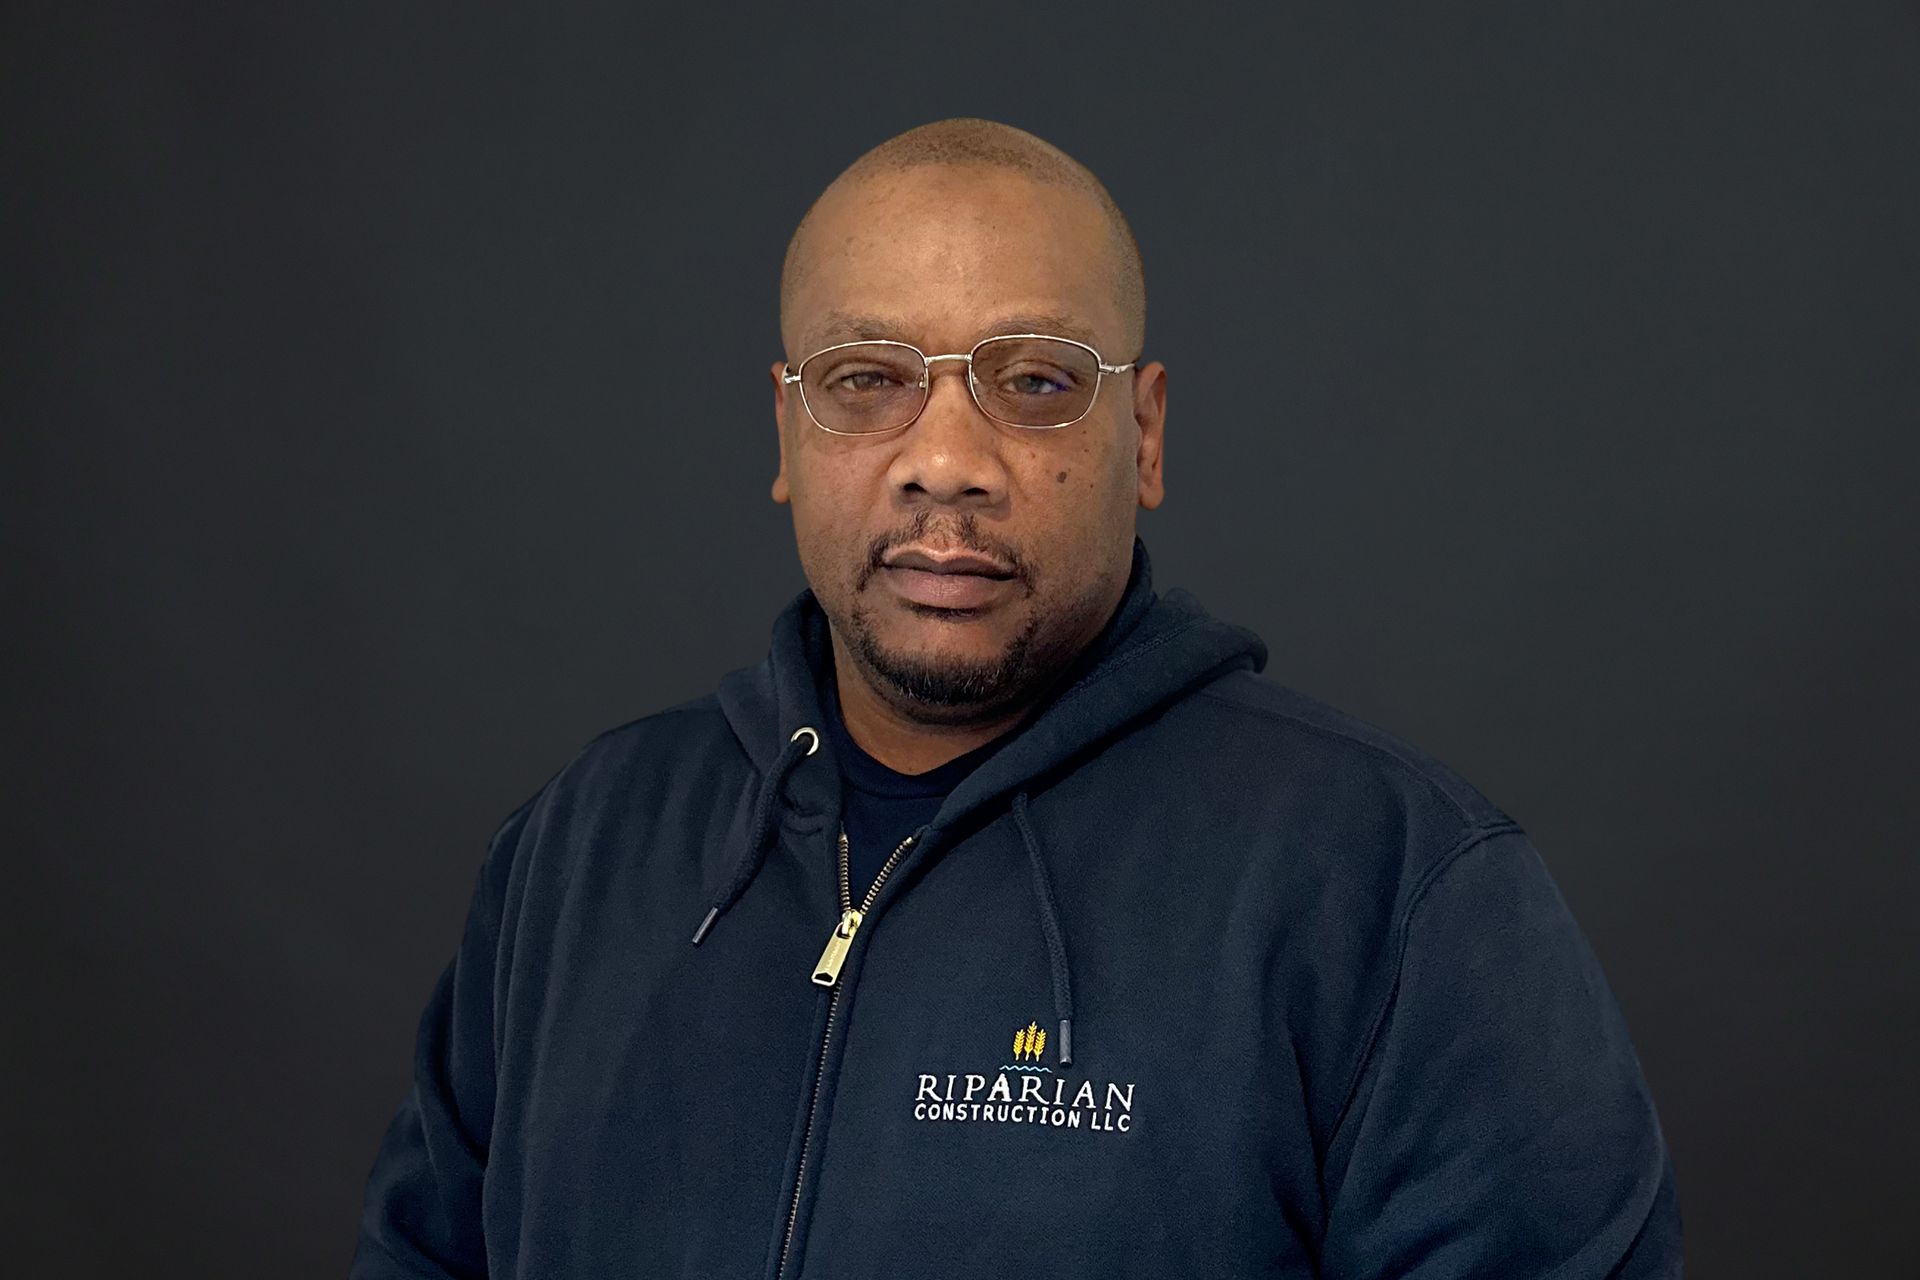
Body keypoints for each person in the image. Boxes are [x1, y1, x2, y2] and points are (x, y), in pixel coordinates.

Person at [351, 117, 1682, 1278]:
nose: (944, 461)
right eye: (866, 381)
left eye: (1035, 382)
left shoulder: (1394, 888)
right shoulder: (578, 855)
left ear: (1144, 435)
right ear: (785, 433)